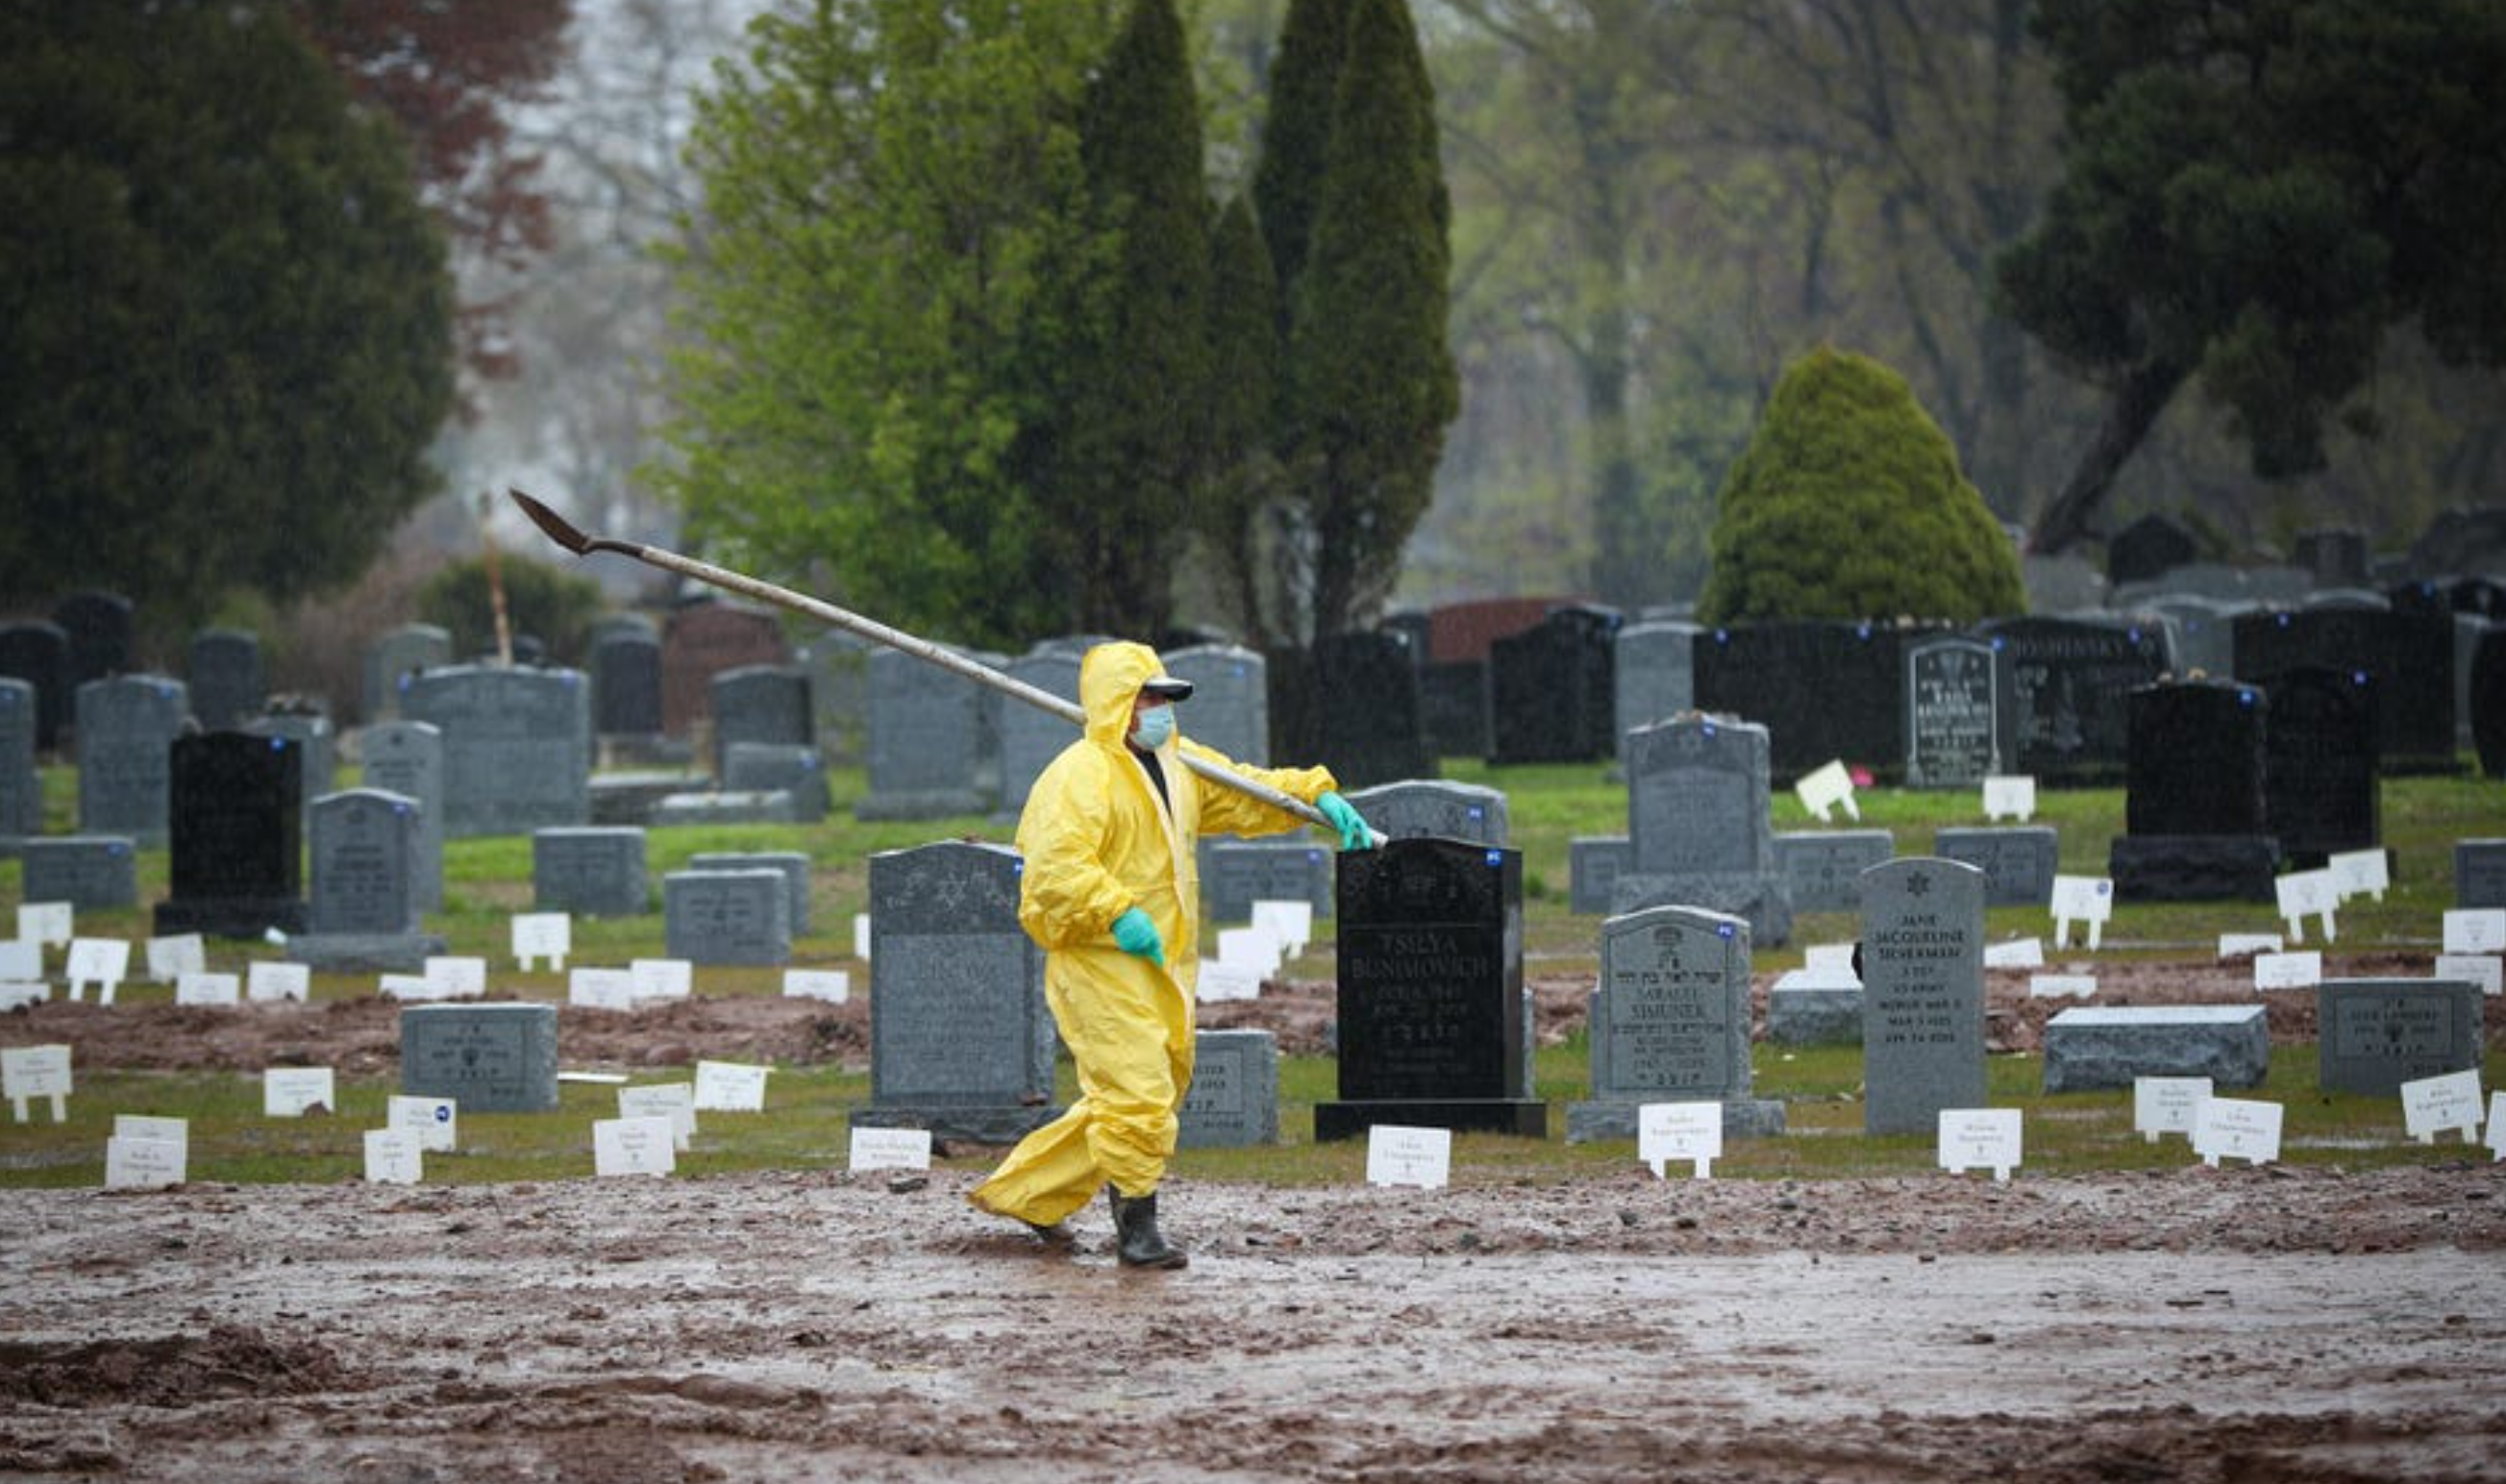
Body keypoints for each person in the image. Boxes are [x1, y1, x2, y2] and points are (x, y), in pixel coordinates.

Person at [968, 640, 1375, 1268]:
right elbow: (1053, 870)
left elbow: (1247, 792)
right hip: (1099, 960)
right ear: (1119, 705)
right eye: (1150, 697)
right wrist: (1116, 910)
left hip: (1163, 960)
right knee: (1136, 1093)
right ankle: (1138, 1229)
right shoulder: (1078, 777)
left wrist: (1313, 794)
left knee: (1148, 1091)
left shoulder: (1176, 762)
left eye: (1164, 697)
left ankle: (1031, 1195)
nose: (1161, 709)